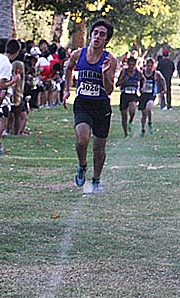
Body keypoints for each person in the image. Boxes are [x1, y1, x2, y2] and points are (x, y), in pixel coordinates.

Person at [63, 19, 117, 193]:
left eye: (102, 35)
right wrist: (66, 90)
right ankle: (82, 165)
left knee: (99, 148)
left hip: (101, 106)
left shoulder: (110, 60)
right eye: (95, 33)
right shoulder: (78, 54)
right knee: (82, 139)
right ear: (90, 35)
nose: (97, 37)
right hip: (83, 103)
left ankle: (96, 179)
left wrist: (104, 74)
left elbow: (109, 90)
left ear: (106, 40)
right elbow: (68, 68)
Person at [116, 57, 143, 137]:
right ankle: (126, 133)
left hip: (133, 94)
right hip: (124, 95)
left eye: (133, 65)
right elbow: (117, 84)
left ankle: (131, 121)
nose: (131, 67)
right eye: (130, 65)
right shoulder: (124, 72)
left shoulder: (138, 73)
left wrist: (142, 87)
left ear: (135, 65)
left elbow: (143, 79)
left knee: (133, 109)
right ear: (127, 64)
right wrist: (123, 81)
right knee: (124, 115)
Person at [138, 57, 165, 136]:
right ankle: (143, 129)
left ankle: (149, 122)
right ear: (146, 65)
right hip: (143, 95)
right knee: (144, 114)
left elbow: (162, 79)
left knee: (149, 108)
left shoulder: (156, 73)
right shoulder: (142, 73)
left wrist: (164, 88)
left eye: (151, 66)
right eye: (148, 66)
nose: (149, 67)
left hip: (151, 95)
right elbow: (137, 80)